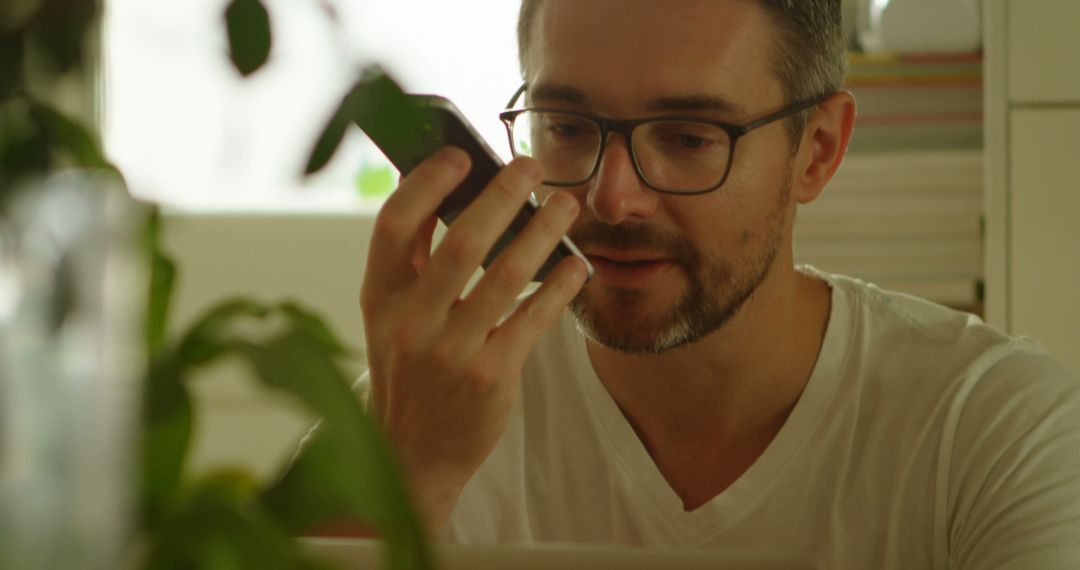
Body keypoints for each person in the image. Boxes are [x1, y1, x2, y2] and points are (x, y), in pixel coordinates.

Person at [356, 0, 1080, 567]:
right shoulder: (432, 404)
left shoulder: (992, 428)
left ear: (817, 152)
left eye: (689, 137)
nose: (613, 199)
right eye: (569, 126)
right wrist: (406, 477)